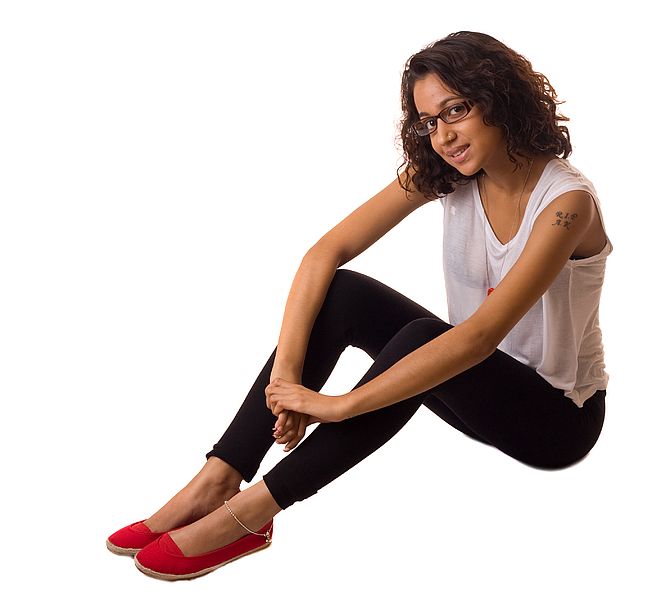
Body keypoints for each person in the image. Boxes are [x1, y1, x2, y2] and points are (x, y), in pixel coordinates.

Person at [107, 30, 612, 581]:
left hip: (555, 420)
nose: (443, 136)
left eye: (457, 110)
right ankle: (219, 477)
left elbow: (478, 338)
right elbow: (325, 253)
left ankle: (252, 513)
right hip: (466, 387)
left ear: (500, 99)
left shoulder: (567, 204)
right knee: (346, 291)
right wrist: (288, 378)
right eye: (429, 121)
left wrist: (339, 404)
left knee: (427, 337)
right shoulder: (450, 174)